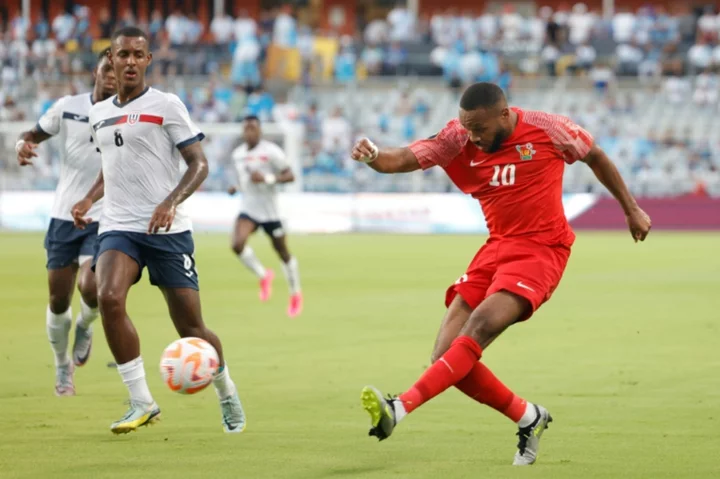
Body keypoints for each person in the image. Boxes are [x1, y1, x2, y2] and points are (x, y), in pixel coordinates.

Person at [351, 82, 651, 465]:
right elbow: (405, 158)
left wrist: (631, 208)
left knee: (478, 325)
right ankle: (530, 417)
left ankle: (400, 408)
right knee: (444, 355)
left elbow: (596, 156)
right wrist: (374, 155)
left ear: (504, 115)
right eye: (468, 129)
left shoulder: (549, 129)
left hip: (541, 250)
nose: (472, 137)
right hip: (496, 249)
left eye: (480, 129)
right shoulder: (458, 136)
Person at [71, 26, 246, 434]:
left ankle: (226, 390)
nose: (130, 61)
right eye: (122, 54)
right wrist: (87, 198)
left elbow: (199, 165)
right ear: (110, 61)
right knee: (108, 296)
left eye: (137, 54)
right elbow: (111, 166)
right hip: (119, 226)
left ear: (149, 60)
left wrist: (170, 202)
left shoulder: (167, 105)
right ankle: (141, 402)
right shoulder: (99, 112)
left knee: (192, 329)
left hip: (168, 232)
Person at [15, 48, 117, 396]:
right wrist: (22, 145)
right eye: (107, 68)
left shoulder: (128, 115)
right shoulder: (68, 107)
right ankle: (62, 366)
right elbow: (31, 135)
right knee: (59, 302)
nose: (112, 76)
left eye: (117, 70)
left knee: (93, 288)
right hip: (63, 216)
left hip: (104, 217)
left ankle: (86, 325)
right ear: (96, 72)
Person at [228, 115, 303, 318]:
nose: (249, 132)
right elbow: (244, 179)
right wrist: (236, 187)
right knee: (237, 244)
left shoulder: (271, 152)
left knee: (283, 252)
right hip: (250, 209)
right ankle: (263, 275)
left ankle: (295, 294)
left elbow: (290, 176)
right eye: (246, 129)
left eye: (253, 128)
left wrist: (268, 178)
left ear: (260, 131)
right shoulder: (238, 154)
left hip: (271, 212)